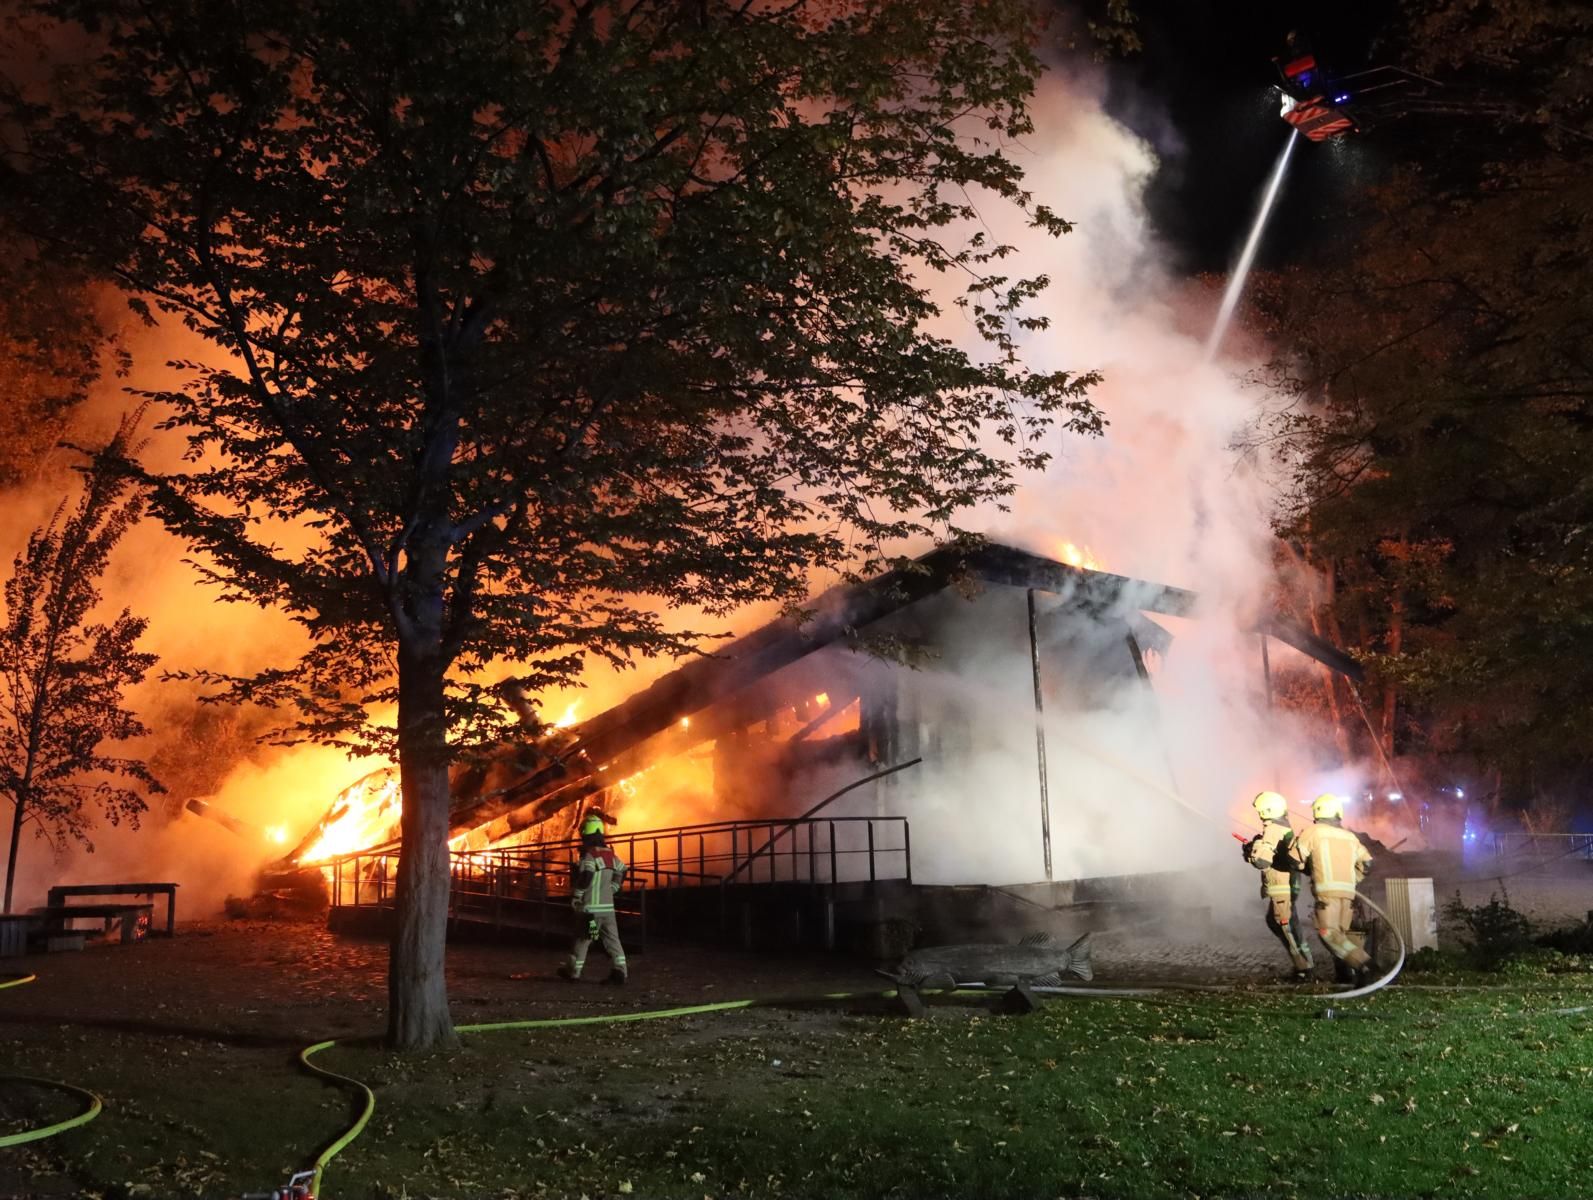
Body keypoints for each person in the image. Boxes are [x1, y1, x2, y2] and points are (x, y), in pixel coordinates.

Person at [1289, 793, 1375, 983]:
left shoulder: (1313, 832)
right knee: (1341, 936)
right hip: (1348, 894)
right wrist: (1352, 878)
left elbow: (1295, 860)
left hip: (1327, 894)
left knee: (1329, 934)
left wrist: (1308, 867)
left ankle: (1367, 965)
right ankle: (1347, 976)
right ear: (1338, 812)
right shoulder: (1349, 836)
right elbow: (1368, 863)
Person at [1242, 790, 1313, 980]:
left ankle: (1304, 969)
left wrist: (1253, 850)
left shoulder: (1273, 829)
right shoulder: (1281, 828)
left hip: (1282, 886)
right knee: (1278, 922)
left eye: (1259, 811)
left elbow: (1262, 862)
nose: (1258, 814)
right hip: (1285, 883)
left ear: (1266, 810)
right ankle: (1304, 963)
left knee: (1285, 925)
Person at [557, 814, 628, 984]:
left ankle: (573, 972)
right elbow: (623, 869)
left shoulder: (589, 856)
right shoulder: (610, 855)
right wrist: (615, 887)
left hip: (590, 910)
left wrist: (577, 895)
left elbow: (587, 876)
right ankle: (620, 972)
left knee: (583, 939)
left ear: (585, 835)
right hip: (608, 910)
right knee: (612, 940)